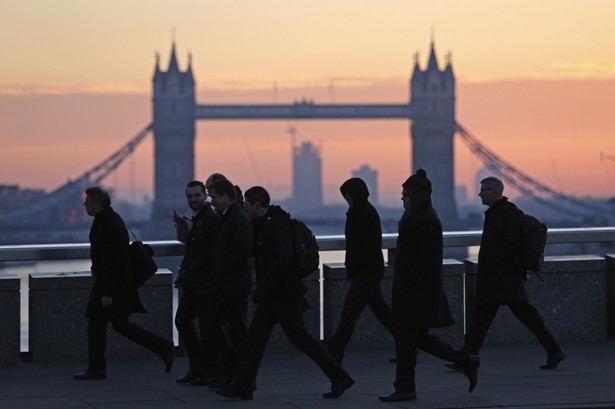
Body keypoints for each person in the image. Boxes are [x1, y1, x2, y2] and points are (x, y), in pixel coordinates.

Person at [217, 186, 354, 400]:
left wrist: (263, 287)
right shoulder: (263, 225)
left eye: (247, 205)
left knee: (301, 340)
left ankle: (340, 377)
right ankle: (244, 385)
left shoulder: (276, 225)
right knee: (256, 341)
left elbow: (283, 260)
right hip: (272, 296)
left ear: (256, 205)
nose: (245, 209)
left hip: (281, 296)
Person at [455, 176, 566, 390]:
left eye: (484, 190)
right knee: (487, 317)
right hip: (501, 277)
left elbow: (511, 242)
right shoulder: (499, 212)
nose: (480, 194)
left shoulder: (505, 212)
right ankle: (467, 355)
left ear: (495, 192)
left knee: (519, 315)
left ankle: (554, 351)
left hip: (503, 277)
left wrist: (492, 258)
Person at [378, 170, 476, 402]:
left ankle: (405, 388)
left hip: (415, 294)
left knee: (405, 341)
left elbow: (426, 261)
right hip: (410, 292)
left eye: (405, 195)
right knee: (420, 339)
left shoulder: (427, 221)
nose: (402, 199)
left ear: (416, 196)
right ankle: (464, 360)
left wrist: (408, 282)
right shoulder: (413, 217)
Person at [74, 186, 173, 380]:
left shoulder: (106, 224)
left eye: (87, 201)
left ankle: (97, 368)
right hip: (119, 283)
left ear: (97, 203)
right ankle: (163, 347)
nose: (84, 205)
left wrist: (107, 293)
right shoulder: (110, 218)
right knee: (120, 324)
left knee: (96, 323)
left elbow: (112, 262)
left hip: (111, 285)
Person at [326, 177, 393, 364]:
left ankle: (334, 352)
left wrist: (356, 269)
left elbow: (365, 246)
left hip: (366, 272)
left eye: (347, 195)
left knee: (349, 313)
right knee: (383, 312)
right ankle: (408, 345)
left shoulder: (363, 213)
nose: (346, 199)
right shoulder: (362, 211)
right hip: (368, 271)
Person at [204, 179, 253, 388]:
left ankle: (240, 378)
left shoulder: (237, 219)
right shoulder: (227, 217)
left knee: (236, 333)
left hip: (234, 286)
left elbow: (242, 251)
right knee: (220, 328)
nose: (211, 201)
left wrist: (221, 268)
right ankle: (231, 374)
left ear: (226, 196)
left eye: (214, 197)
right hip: (227, 285)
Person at [172, 180, 221, 384]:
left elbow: (212, 252)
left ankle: (207, 370)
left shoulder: (209, 219)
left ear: (205, 195)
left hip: (204, 283)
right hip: (195, 281)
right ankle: (200, 368)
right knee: (190, 323)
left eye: (196, 196)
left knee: (201, 326)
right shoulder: (200, 218)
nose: (193, 199)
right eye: (190, 196)